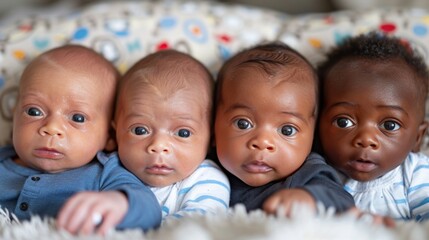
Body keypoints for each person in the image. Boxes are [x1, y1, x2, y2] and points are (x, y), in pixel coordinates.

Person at [0, 45, 161, 235]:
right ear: (15, 116)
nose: (52, 128)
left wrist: (118, 202)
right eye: (34, 112)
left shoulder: (104, 172)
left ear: (109, 136)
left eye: (77, 118)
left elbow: (149, 208)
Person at [214, 41, 355, 216]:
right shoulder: (201, 168)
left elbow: (342, 201)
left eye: (287, 130)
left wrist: (309, 198)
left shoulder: (308, 173)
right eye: (243, 123)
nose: (263, 142)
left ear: (313, 136)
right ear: (213, 125)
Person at [317, 32, 429, 221]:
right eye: (344, 122)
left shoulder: (416, 174)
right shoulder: (317, 172)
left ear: (417, 138)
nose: (366, 139)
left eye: (390, 125)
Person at [113, 49, 230, 223]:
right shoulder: (110, 170)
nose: (159, 145)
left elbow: (197, 226)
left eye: (183, 133)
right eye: (140, 130)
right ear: (114, 132)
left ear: (212, 137)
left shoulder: (206, 179)